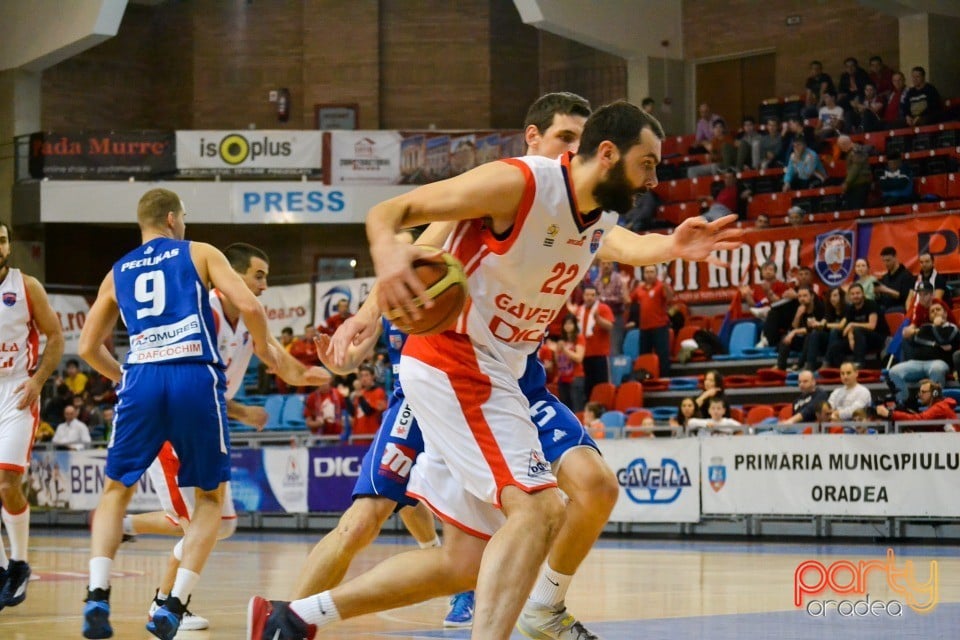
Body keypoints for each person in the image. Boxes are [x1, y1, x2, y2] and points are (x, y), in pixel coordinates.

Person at [247, 100, 742, 639]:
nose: (654, 178)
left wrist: (672, 245)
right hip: (455, 358)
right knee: (538, 510)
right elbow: (389, 214)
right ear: (607, 154)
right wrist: (387, 269)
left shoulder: (597, 218)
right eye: (647, 163)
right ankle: (532, 619)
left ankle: (292, 618)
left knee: (462, 562)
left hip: (501, 373)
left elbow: (627, 245)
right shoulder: (519, 184)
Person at [77, 189, 282, 640]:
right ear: (172, 219)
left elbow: (87, 348)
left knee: (115, 491)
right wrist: (266, 348)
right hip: (193, 374)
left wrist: (125, 375)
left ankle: (96, 594)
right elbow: (249, 305)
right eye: (184, 217)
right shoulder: (200, 252)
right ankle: (172, 605)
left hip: (143, 375)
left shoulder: (117, 272)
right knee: (209, 500)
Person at [117, 242, 331, 632]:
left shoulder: (251, 317)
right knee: (198, 524)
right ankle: (165, 605)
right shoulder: (200, 311)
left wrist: (327, 371)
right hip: (173, 426)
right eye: (258, 275)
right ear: (233, 276)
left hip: (205, 421)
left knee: (221, 523)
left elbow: (283, 365)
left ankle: (128, 530)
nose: (264, 285)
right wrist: (243, 412)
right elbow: (187, 384)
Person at [0, 220, 64, 610]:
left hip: (17, 390)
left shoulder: (26, 287)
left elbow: (56, 336)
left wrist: (39, 379)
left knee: (8, 481)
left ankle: (20, 562)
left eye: (3, 239)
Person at [876, 379, 957, 432]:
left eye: (923, 392)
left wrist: (890, 414)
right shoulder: (937, 407)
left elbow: (920, 420)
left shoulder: (940, 407)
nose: (920, 395)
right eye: (920, 392)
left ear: (934, 394)